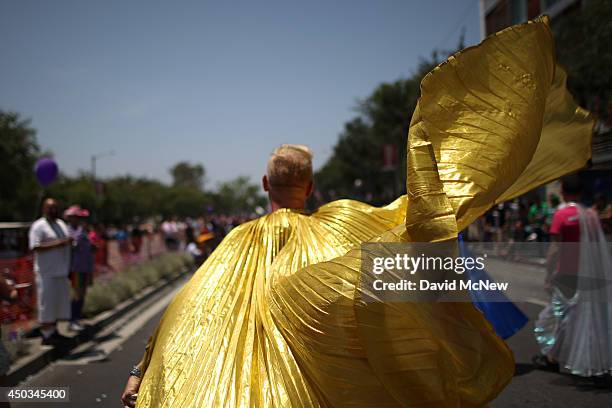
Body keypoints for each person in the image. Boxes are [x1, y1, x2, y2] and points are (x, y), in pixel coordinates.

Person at [122, 17, 594, 407]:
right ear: (309, 185)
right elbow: (410, 256)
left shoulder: (234, 243)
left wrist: (141, 373)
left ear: (266, 184)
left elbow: (185, 310)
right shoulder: (346, 224)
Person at [533, 175, 612, 381]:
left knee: (557, 315)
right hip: (587, 273)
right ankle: (578, 356)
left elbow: (555, 248)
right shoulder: (590, 215)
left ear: (562, 192)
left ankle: (552, 357)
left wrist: (549, 275)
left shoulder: (562, 215)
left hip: (566, 274)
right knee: (581, 316)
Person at [28, 198, 72, 346]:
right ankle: (46, 334)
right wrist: (59, 243)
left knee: (58, 304)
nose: (53, 211)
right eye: (50, 208)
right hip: (46, 272)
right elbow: (35, 246)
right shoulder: (38, 226)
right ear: (44, 209)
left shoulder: (60, 224)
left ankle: (54, 331)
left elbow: (67, 240)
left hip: (61, 271)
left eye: (55, 208)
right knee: (46, 304)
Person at [64, 205, 94, 332]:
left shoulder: (82, 230)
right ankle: (72, 320)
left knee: (82, 294)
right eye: (78, 217)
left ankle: (77, 318)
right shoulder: (68, 231)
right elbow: (72, 247)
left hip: (85, 267)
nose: (81, 220)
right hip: (76, 268)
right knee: (76, 294)